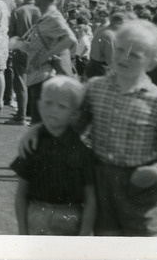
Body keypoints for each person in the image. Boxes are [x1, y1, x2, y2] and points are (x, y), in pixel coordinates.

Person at [20, 20, 157, 236]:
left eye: (134, 55)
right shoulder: (96, 88)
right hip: (101, 184)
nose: (123, 57)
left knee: (143, 245)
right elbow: (72, 128)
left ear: (151, 64)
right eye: (120, 49)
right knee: (106, 240)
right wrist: (38, 131)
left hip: (141, 189)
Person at [10, 76, 96, 235]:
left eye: (62, 106)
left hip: (70, 218)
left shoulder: (83, 152)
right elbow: (21, 193)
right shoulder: (32, 146)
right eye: (48, 103)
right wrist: (22, 230)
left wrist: (84, 235)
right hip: (35, 216)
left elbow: (90, 199)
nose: (53, 110)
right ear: (39, 105)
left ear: (75, 114)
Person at [8, 0, 77, 124]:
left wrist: (44, 57)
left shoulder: (53, 17)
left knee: (40, 127)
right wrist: (22, 45)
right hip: (37, 77)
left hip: (45, 77)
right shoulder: (45, 17)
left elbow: (70, 39)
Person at [5, 0, 41, 125]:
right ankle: (35, 116)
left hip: (21, 48)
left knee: (20, 82)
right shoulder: (41, 11)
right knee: (36, 83)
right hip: (38, 50)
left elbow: (11, 32)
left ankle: (21, 115)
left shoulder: (18, 11)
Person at [86, 12, 127, 78]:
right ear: (118, 23)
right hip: (100, 69)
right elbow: (110, 57)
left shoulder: (102, 30)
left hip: (92, 65)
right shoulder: (110, 35)